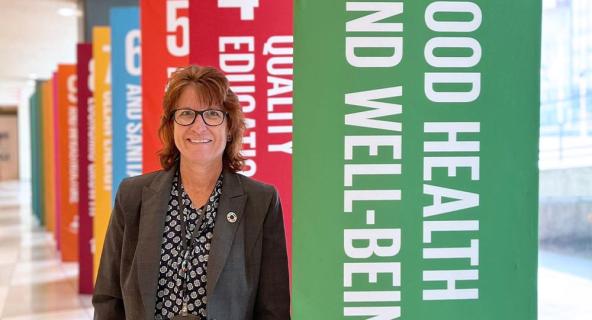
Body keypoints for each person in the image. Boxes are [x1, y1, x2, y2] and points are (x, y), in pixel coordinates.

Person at [92, 65, 290, 320]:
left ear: (229, 127)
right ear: (171, 125)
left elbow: (273, 307)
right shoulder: (133, 196)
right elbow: (109, 298)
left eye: (212, 114)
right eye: (186, 114)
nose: (199, 126)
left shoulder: (260, 201)